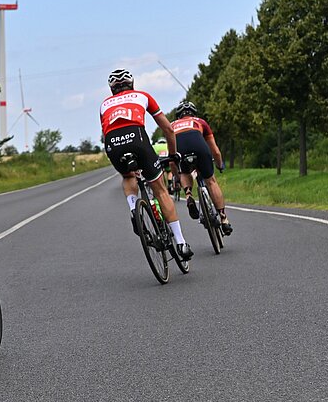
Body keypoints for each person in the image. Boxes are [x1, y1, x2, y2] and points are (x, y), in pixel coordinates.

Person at [99, 69, 192, 260]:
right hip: (137, 138)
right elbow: (167, 128)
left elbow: (107, 131)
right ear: (132, 84)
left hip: (112, 144)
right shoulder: (143, 96)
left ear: (112, 89)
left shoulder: (104, 105)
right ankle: (181, 243)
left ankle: (134, 208)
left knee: (127, 176)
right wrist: (173, 154)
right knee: (159, 190)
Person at [172, 100, 232, 235]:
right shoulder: (201, 122)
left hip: (180, 147)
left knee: (185, 172)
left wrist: (177, 176)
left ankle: (188, 196)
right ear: (193, 113)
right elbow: (215, 151)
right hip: (199, 145)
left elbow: (172, 158)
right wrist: (219, 164)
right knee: (211, 181)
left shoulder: (172, 125)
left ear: (178, 116)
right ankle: (224, 219)